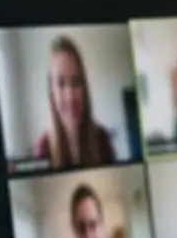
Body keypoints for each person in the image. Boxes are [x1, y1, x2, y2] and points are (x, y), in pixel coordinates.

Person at [33, 36, 117, 168]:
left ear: (84, 87)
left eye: (76, 81)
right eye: (61, 84)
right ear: (52, 92)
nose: (70, 96)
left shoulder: (102, 140)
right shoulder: (43, 148)